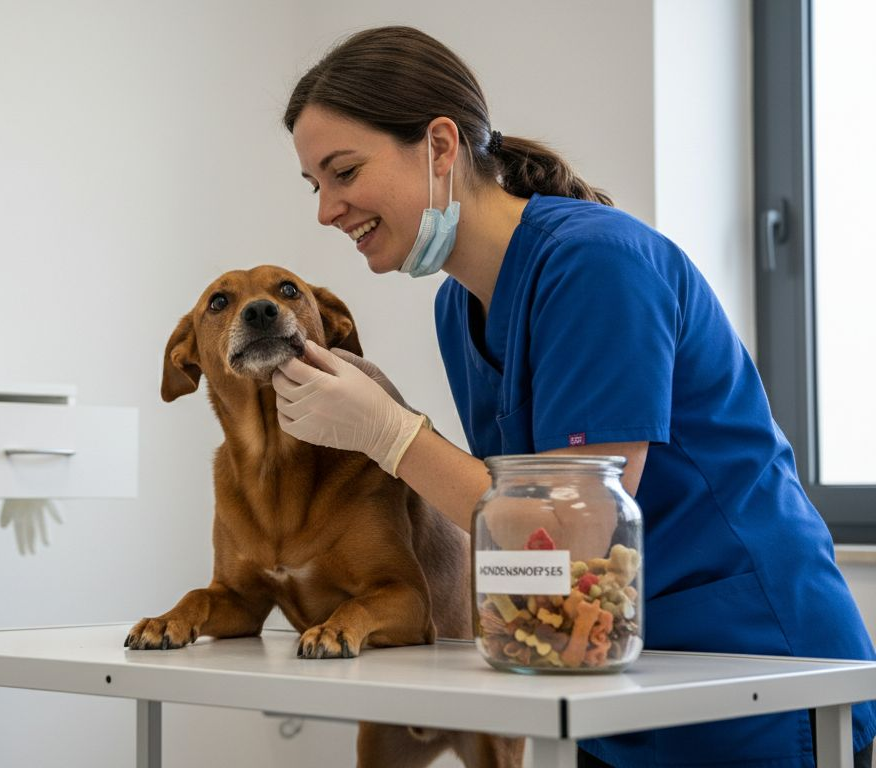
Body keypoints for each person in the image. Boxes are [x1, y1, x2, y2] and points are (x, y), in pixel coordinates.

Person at [271, 25, 875, 767]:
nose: (327, 210)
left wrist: (391, 435)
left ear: (438, 146)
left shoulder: (597, 264)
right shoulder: (458, 306)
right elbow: (532, 553)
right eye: (316, 186)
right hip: (606, 676)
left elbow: (575, 539)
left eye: (344, 172)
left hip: (750, 670)